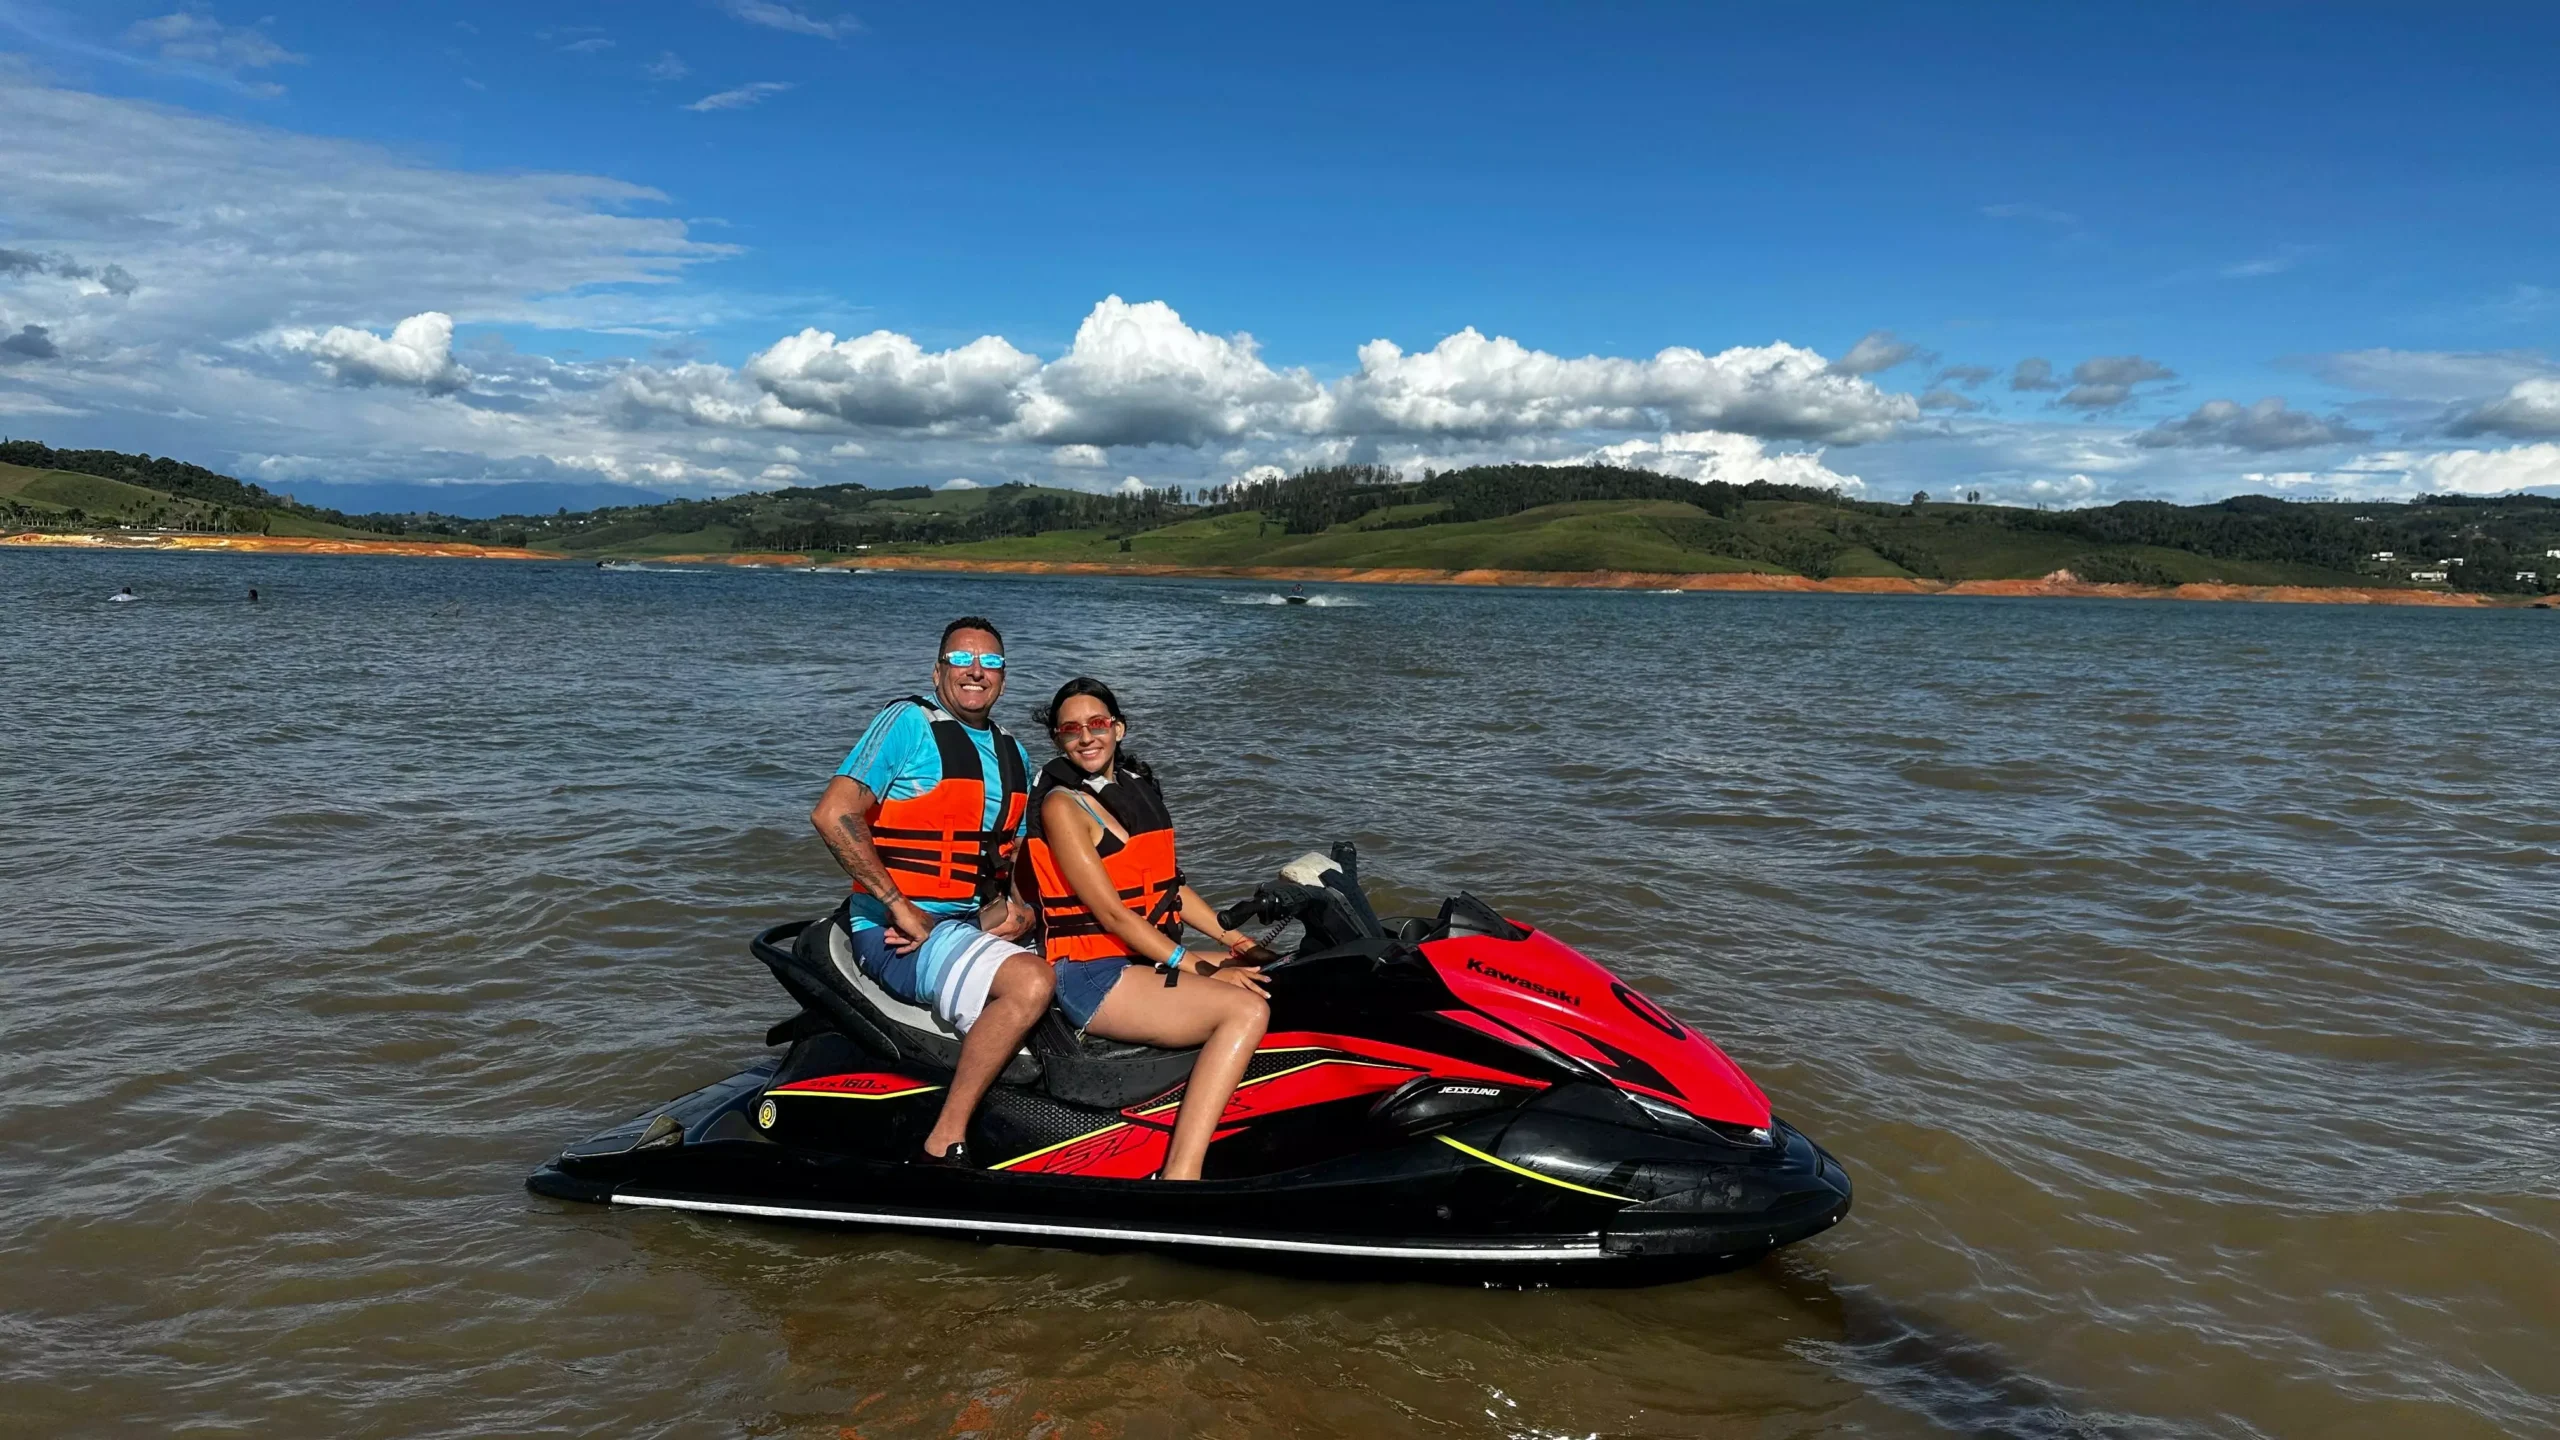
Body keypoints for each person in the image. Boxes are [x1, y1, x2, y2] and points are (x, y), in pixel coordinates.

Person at [809, 618, 1053, 1165]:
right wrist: (900, 906)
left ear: (1004, 677)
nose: (975, 671)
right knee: (1032, 982)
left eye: (990, 662)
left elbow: (1007, 856)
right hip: (894, 931)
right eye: (961, 659)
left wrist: (1020, 910)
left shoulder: (1014, 753)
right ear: (938, 669)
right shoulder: (909, 723)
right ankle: (946, 1134)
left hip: (967, 923)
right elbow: (833, 814)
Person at [1024, 677, 1270, 1181]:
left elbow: (1167, 892)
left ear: (1118, 728)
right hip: (1091, 972)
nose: (1086, 737)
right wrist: (1198, 966)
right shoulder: (1062, 807)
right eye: (1071, 729)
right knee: (1245, 1010)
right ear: (1057, 739)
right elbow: (1113, 914)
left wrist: (1235, 942)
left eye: (1097, 724)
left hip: (1140, 956)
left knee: (1275, 973)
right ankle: (1181, 1175)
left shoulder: (1133, 788)